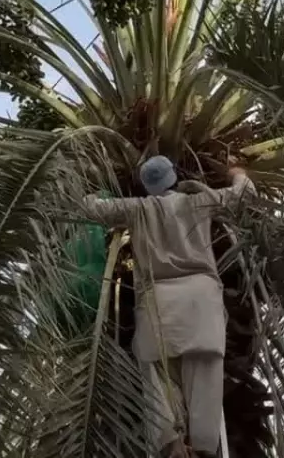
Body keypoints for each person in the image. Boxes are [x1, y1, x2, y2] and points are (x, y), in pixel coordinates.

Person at [77, 156, 256, 458]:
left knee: (157, 383)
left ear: (147, 186)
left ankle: (172, 448)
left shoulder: (138, 208)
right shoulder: (199, 202)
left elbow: (87, 207)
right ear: (174, 177)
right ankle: (202, 448)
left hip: (159, 308)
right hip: (201, 307)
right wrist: (237, 172)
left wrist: (95, 184)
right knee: (205, 384)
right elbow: (244, 195)